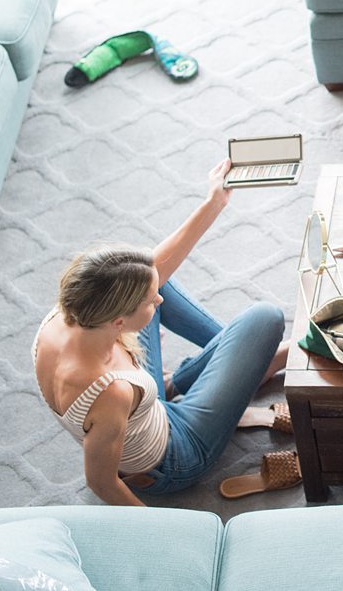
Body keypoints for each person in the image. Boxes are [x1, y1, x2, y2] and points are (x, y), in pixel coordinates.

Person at [33, 160, 290, 504]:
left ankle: (225, 367)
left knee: (149, 274)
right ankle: (248, 363)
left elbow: (153, 270)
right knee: (266, 317)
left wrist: (213, 202)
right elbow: (101, 482)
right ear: (119, 322)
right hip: (174, 456)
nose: (160, 298)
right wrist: (160, 531)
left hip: (139, 402)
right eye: (149, 302)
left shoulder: (69, 312)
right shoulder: (112, 394)